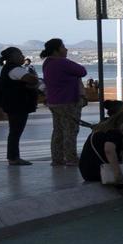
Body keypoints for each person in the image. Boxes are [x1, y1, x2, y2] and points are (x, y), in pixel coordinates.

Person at [79, 110, 123, 203]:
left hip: (86, 171)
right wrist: (117, 173)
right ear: (119, 122)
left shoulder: (101, 130)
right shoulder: (115, 132)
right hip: (97, 171)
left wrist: (121, 153)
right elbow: (109, 150)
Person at [41, 38, 87, 166]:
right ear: (56, 50)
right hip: (68, 101)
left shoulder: (47, 63)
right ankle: (71, 158)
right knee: (70, 131)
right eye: (63, 47)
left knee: (58, 130)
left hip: (53, 101)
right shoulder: (62, 62)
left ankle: (57, 158)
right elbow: (82, 71)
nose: (66, 49)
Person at [0, 46, 39, 165]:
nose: (23, 57)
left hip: (13, 104)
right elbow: (32, 80)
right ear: (13, 57)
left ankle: (13, 156)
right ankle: (13, 157)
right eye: (20, 55)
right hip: (18, 104)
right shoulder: (15, 69)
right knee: (15, 131)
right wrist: (34, 80)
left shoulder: (8, 69)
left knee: (15, 131)